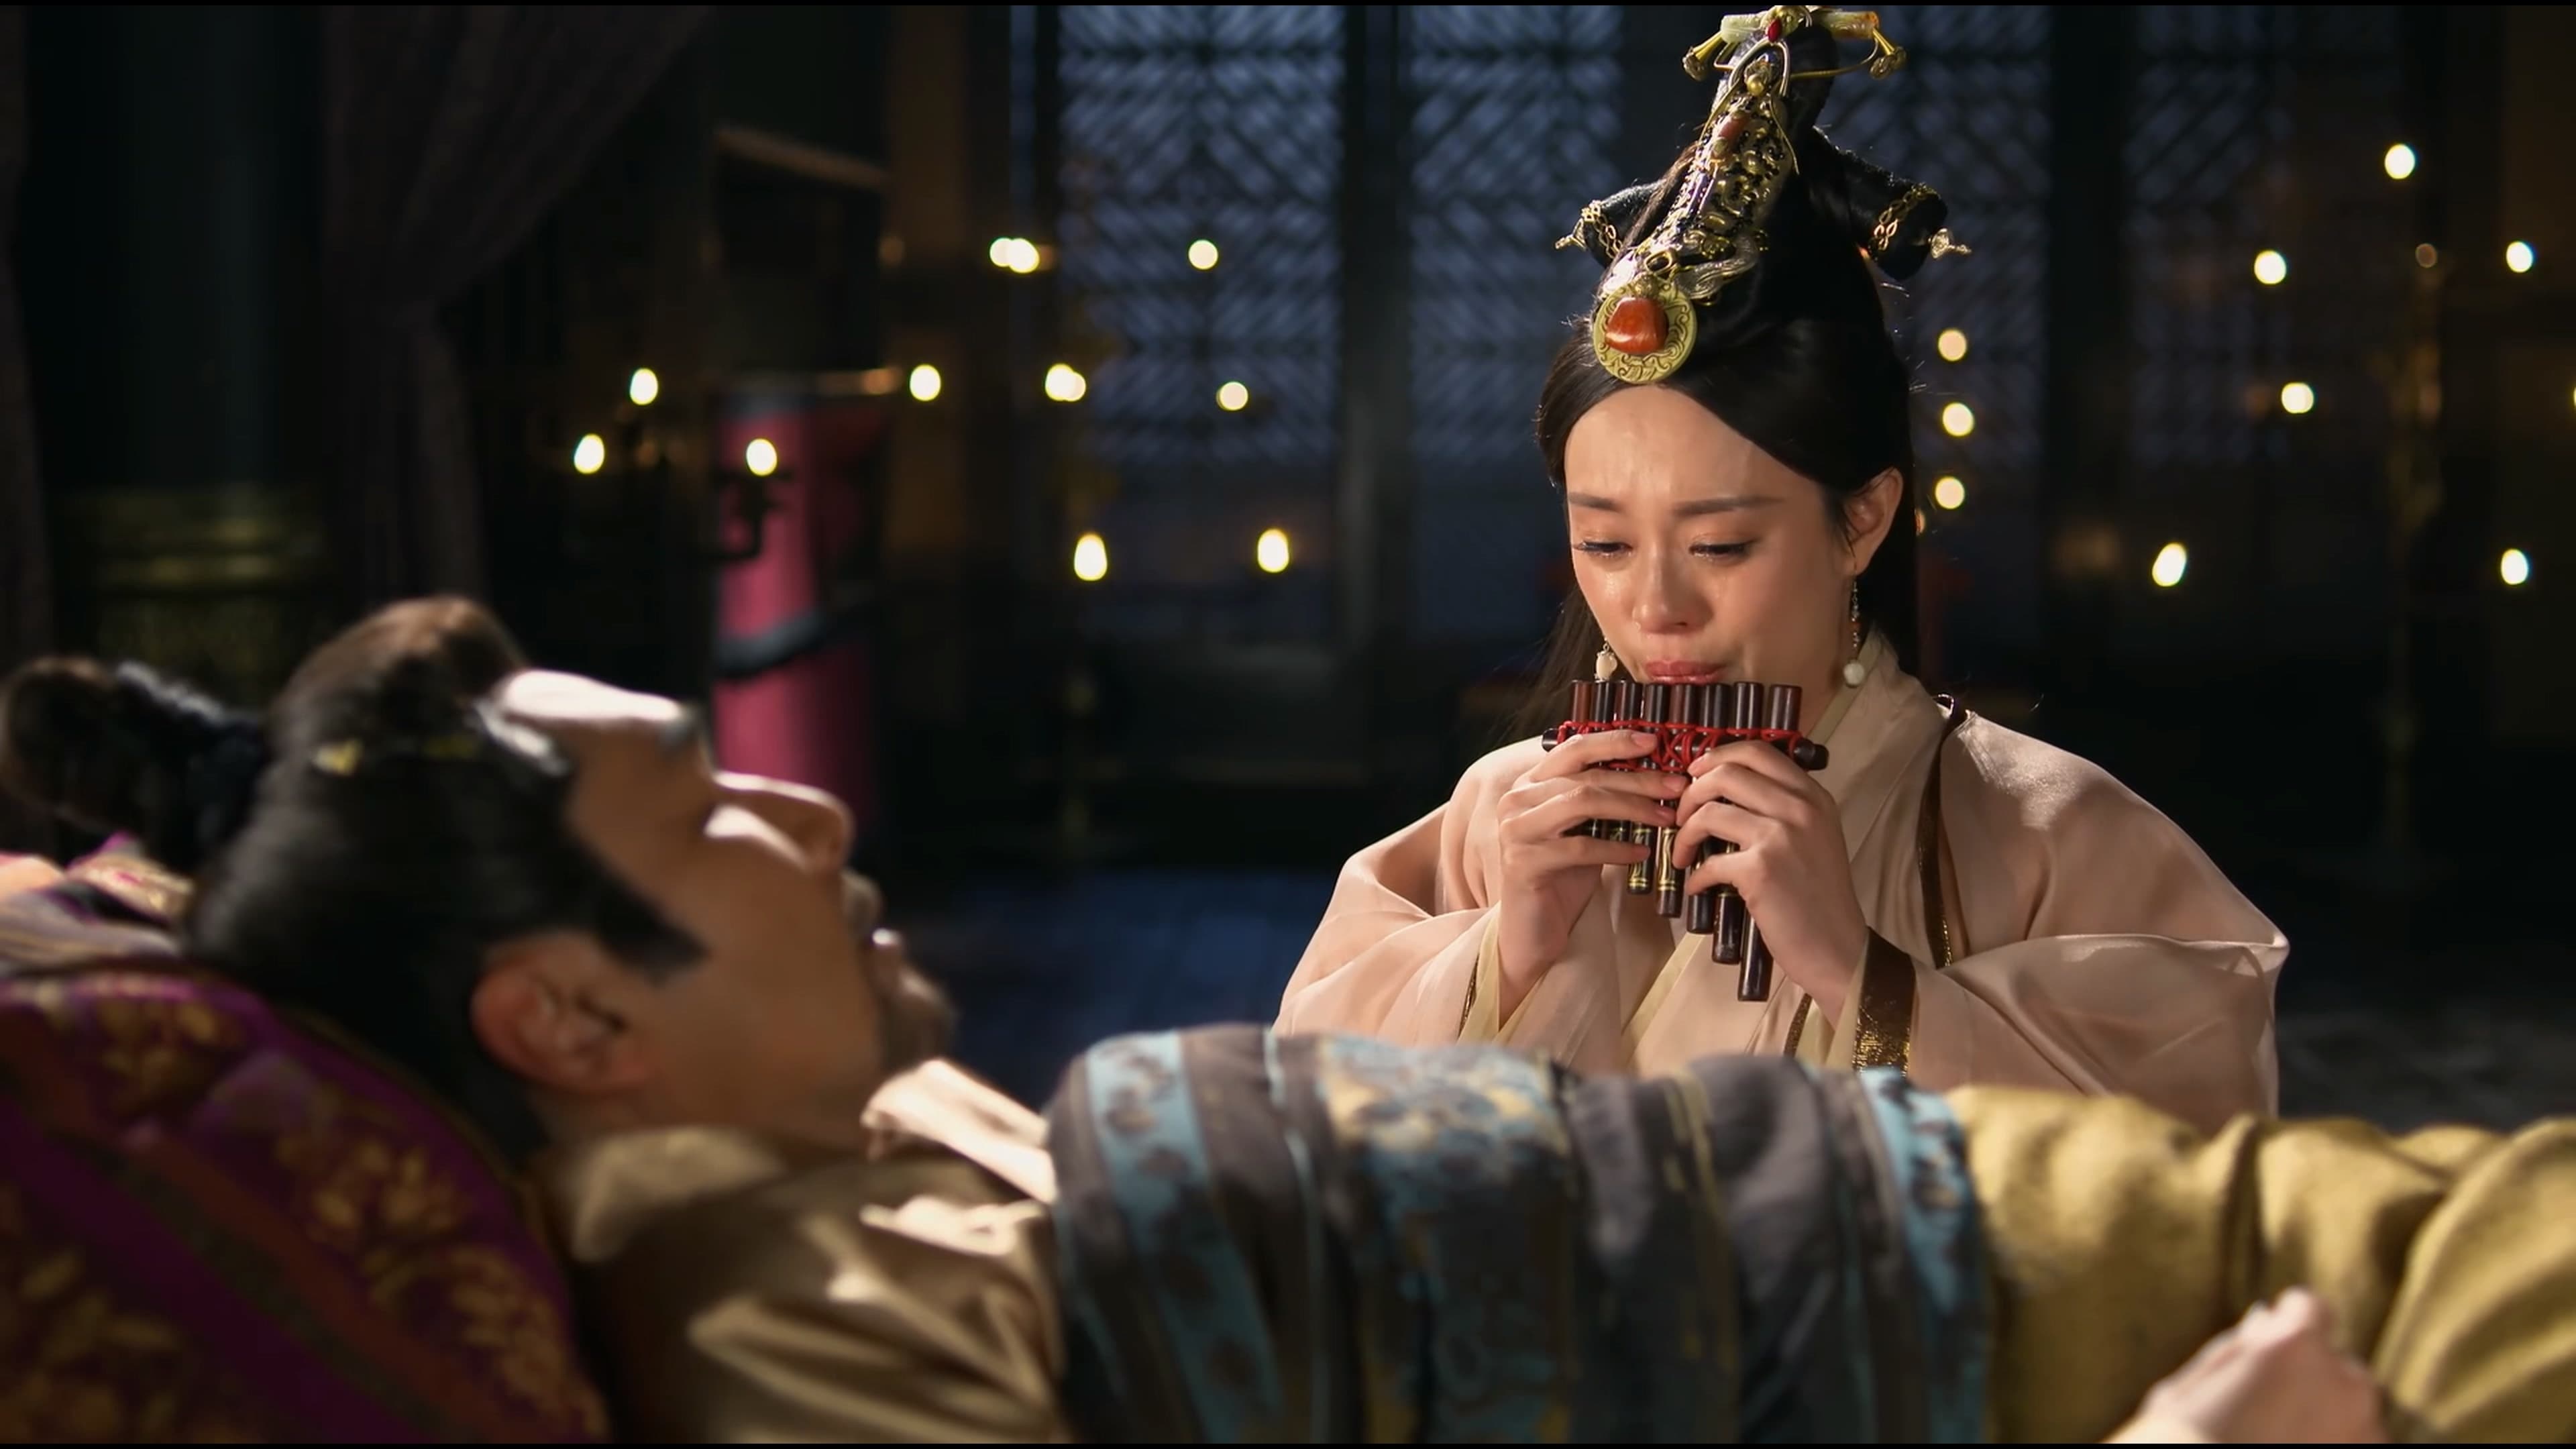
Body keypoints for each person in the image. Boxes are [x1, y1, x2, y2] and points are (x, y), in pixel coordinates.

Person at [8, 592, 2569, 1444]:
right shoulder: (767, 1327)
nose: (802, 807)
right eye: (709, 818)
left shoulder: (843, 1144)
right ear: (573, 1022)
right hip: (2014, 1331)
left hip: (2002, 1225)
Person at [1276, 6, 2284, 1134]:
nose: (1654, 606)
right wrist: (1502, 959)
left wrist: (1861, 974)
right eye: (1604, 543)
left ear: (1863, 520)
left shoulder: (2054, 836)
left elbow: (2185, 1170)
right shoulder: (1498, 818)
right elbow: (1305, 1136)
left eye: (1719, 545)